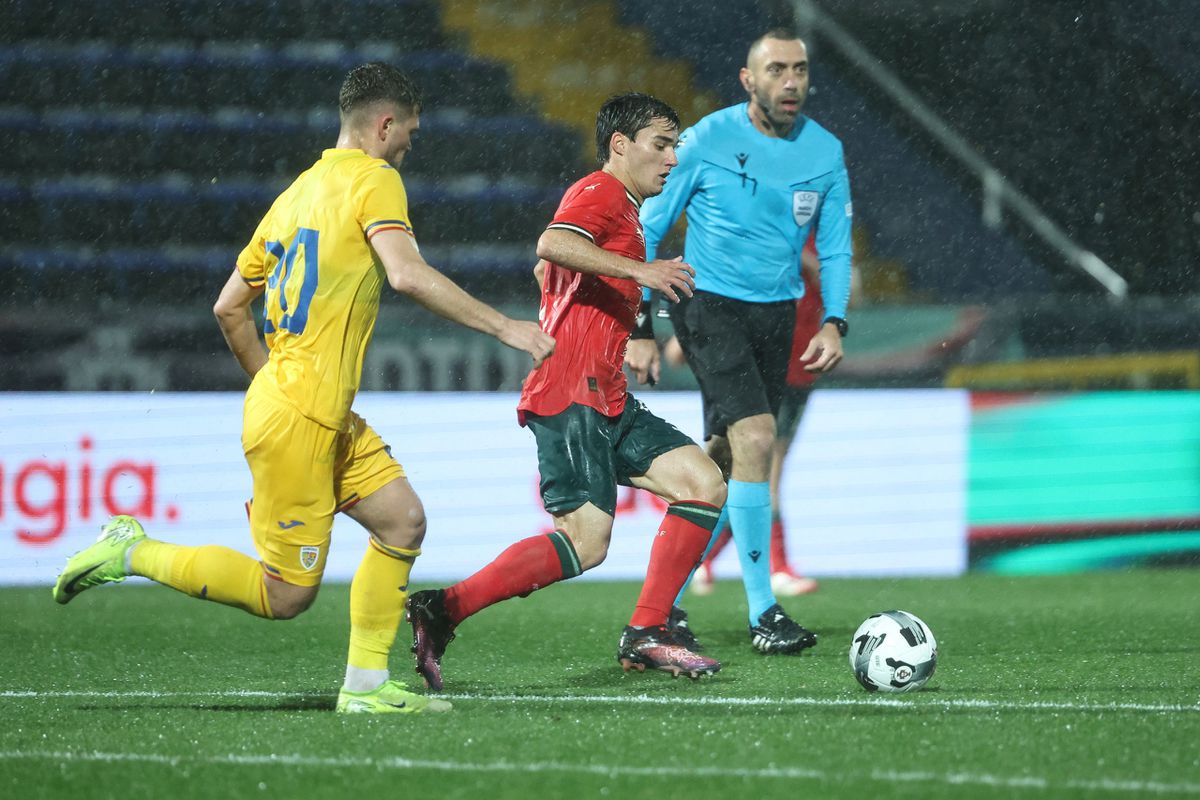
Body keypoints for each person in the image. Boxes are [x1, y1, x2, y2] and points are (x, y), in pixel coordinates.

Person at [51, 63, 555, 714]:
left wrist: (276, 390)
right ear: (384, 124)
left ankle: (367, 687)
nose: (409, 144)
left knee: (403, 520)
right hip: (300, 412)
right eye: (409, 131)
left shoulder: (295, 196)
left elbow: (229, 307)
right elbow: (405, 275)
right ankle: (133, 550)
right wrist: (505, 327)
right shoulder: (376, 180)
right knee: (284, 595)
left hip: (306, 407)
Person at [404, 92, 728, 691]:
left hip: (607, 394)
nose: (672, 159)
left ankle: (649, 631)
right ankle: (442, 609)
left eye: (676, 147)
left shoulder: (626, 212)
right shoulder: (601, 190)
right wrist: (641, 272)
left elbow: (553, 270)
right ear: (620, 145)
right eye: (661, 145)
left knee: (703, 483)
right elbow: (551, 244)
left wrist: (624, 330)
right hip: (570, 391)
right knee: (587, 541)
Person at [638, 29, 853, 654]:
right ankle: (765, 612)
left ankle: (663, 606)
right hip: (706, 302)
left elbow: (834, 247)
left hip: (778, 313)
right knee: (758, 436)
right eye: (777, 69)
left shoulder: (826, 152)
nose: (791, 82)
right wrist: (639, 324)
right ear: (748, 78)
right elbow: (649, 226)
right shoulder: (706, 139)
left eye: (801, 70)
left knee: (724, 461)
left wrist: (834, 319)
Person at [686, 238, 823, 597]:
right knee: (760, 471)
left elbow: (846, 292)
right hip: (767, 366)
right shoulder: (767, 228)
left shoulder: (815, 236)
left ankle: (701, 559)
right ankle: (776, 568)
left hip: (798, 369)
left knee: (747, 474)